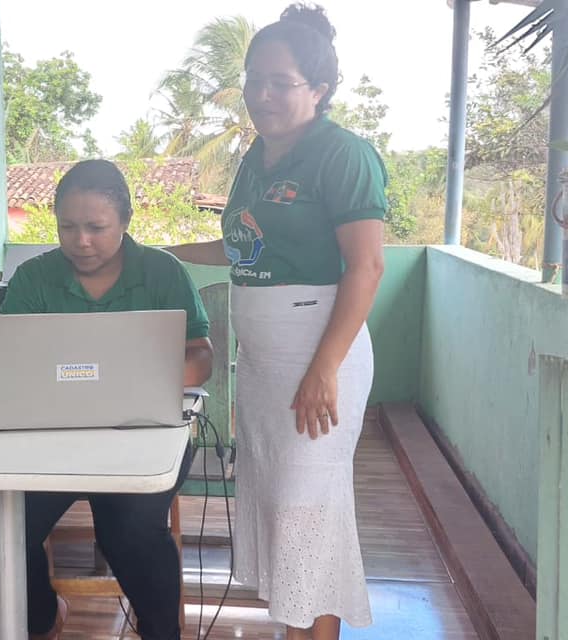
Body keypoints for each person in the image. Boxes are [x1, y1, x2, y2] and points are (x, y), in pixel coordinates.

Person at [166, 5, 387, 639]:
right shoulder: (254, 160)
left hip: (319, 359)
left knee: (303, 515)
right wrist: (158, 255)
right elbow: (241, 248)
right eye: (253, 79)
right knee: (292, 515)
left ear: (318, 89)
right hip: (263, 367)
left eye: (280, 83)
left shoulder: (343, 155)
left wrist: (324, 370)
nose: (261, 95)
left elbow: (366, 268)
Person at [0, 159, 214, 640]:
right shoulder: (33, 278)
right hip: (50, 437)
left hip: (142, 435)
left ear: (126, 222)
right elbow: (11, 361)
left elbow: (200, 359)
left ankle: (160, 633)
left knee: (129, 533)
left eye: (96, 227)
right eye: (67, 226)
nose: (80, 241)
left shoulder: (162, 272)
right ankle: (43, 616)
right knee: (3, 531)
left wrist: (135, 381)